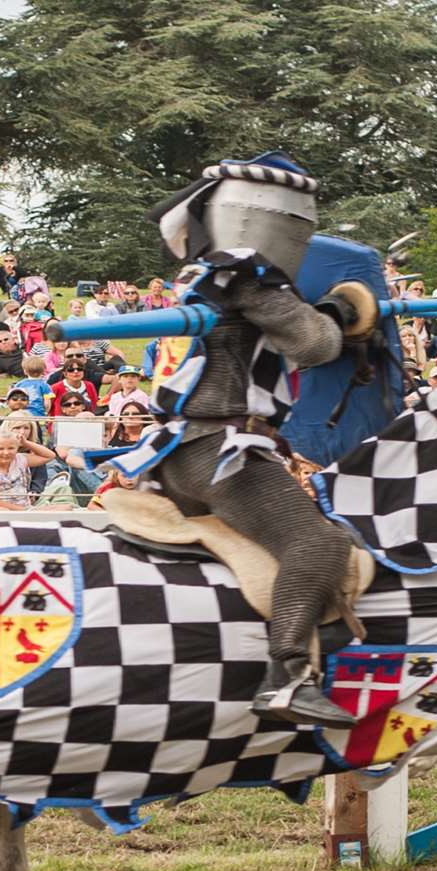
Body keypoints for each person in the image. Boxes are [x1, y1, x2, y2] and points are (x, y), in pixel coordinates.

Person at [126, 152, 378, 725]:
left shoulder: (206, 274)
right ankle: (287, 678)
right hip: (219, 450)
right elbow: (313, 345)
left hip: (192, 447)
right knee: (318, 544)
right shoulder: (247, 272)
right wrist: (339, 310)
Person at [0, 429, 53, 509]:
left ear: (17, 448)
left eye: (11, 448)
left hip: (27, 507)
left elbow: (50, 456)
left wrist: (26, 443)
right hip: (1, 510)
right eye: (1, 449)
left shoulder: (20, 459)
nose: (6, 452)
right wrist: (22, 510)